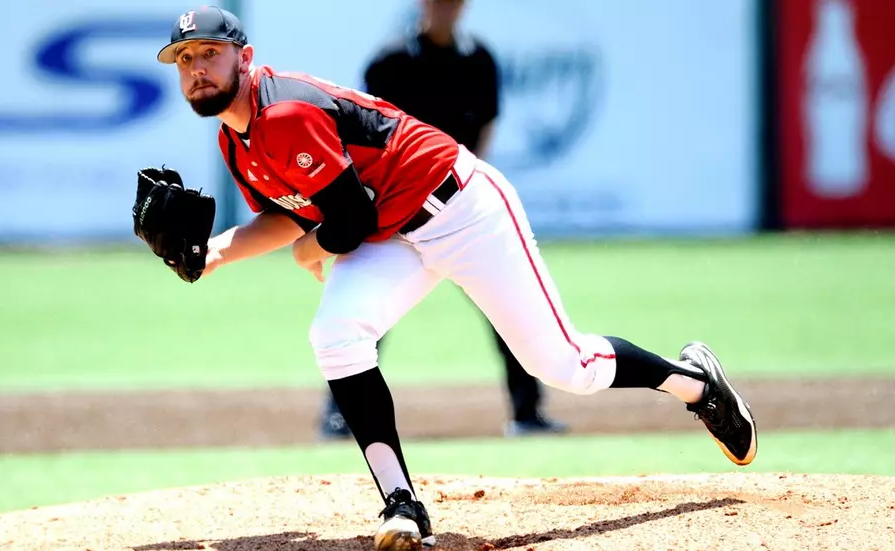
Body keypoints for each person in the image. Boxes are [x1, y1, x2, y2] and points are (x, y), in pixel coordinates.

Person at [156, 6, 758, 550]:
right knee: (335, 335)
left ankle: (696, 386)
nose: (197, 68)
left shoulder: (284, 111)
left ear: (246, 57)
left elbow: (348, 219)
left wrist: (306, 252)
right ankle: (402, 505)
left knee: (565, 366)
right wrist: (210, 255)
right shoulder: (237, 140)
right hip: (398, 231)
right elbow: (290, 212)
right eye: (185, 58)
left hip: (465, 210)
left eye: (210, 52)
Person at [317, 0, 567, 442]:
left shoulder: (478, 59)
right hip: (395, 209)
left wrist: (470, 185)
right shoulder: (391, 60)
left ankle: (527, 413)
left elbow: (487, 121)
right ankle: (340, 417)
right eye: (436, 1)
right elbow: (359, 128)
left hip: (458, 205)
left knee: (505, 305)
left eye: (452, 1)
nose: (444, 8)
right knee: (368, 309)